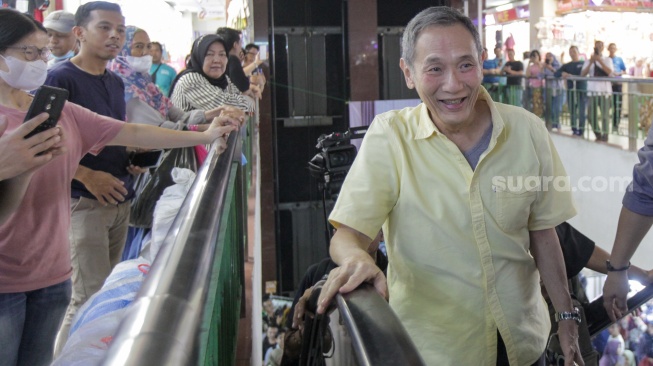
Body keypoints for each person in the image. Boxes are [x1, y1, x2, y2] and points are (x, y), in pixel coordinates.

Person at [315, 6, 583, 366]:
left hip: (524, 344)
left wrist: (565, 318)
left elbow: (544, 234)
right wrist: (356, 259)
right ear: (408, 73)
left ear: (483, 62)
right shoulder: (390, 136)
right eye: (435, 68)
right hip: (434, 352)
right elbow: (347, 234)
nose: (453, 84)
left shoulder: (528, 130)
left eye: (465, 65)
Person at [0, 8, 238, 366]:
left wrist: (205, 133)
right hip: (6, 277)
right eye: (28, 53)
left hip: (51, 271)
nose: (39, 61)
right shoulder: (56, 88)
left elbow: (128, 130)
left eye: (42, 52)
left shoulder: (57, 109)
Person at [109, 26, 235, 130]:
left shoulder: (146, 84)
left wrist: (221, 111)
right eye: (138, 46)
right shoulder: (125, 89)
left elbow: (180, 116)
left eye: (148, 47)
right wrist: (210, 128)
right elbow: (160, 130)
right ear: (122, 50)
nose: (146, 53)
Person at [169, 34, 252, 113]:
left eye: (222, 54)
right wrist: (249, 99)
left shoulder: (223, 79)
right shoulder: (190, 79)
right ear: (199, 57)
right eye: (209, 54)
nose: (217, 60)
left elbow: (239, 97)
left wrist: (247, 96)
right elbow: (228, 106)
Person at [215, 27, 262, 99]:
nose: (241, 46)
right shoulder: (232, 59)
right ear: (235, 44)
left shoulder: (220, 60)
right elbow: (243, 88)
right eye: (240, 42)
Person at [581, 40, 613, 142]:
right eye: (597, 46)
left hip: (604, 92)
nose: (598, 48)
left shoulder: (607, 60)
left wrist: (599, 60)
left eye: (600, 46)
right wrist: (591, 61)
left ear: (603, 48)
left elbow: (609, 72)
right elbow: (582, 74)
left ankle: (605, 135)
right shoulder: (588, 61)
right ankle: (598, 133)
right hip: (592, 91)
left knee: (604, 115)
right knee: (591, 115)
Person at [555, 46, 588, 136]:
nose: (572, 53)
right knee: (572, 109)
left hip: (581, 90)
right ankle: (574, 128)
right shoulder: (567, 65)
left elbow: (586, 72)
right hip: (571, 90)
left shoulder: (584, 63)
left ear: (578, 52)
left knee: (582, 110)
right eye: (571, 51)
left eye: (574, 51)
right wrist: (563, 73)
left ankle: (581, 129)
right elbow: (556, 73)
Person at [608, 43, 626, 132]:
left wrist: (619, 74)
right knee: (608, 105)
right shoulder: (606, 60)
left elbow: (624, 70)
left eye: (614, 48)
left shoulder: (619, 59)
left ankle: (616, 125)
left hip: (618, 84)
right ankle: (608, 125)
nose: (612, 50)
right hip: (608, 85)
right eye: (610, 48)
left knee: (617, 105)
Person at [543, 52, 563, 129]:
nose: (548, 58)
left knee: (557, 107)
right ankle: (549, 123)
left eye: (550, 56)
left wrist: (550, 68)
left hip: (557, 89)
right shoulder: (545, 66)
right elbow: (540, 76)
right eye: (547, 56)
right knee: (549, 107)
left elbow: (559, 74)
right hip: (548, 89)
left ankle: (556, 123)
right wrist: (542, 68)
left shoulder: (558, 65)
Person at [525, 49, 544, 117]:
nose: (533, 57)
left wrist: (538, 63)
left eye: (535, 56)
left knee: (539, 103)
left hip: (541, 86)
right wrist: (529, 63)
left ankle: (540, 116)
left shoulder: (542, 64)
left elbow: (542, 73)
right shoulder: (531, 66)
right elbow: (527, 75)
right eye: (532, 56)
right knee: (534, 103)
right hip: (533, 87)